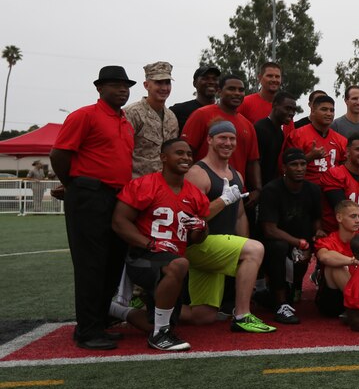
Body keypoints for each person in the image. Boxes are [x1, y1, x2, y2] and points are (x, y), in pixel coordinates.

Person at [50, 65, 136, 350]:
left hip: (116, 197)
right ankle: (87, 331)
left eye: (125, 85)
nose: (122, 89)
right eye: (115, 85)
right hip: (90, 194)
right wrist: (72, 184)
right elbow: (59, 153)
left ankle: (96, 323)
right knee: (91, 265)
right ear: (99, 88)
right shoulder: (84, 115)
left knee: (113, 261)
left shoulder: (124, 120)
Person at [111, 138, 208, 352]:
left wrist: (202, 228)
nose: (186, 158)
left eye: (189, 154)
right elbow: (119, 222)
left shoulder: (195, 195)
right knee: (180, 264)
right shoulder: (144, 184)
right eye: (179, 153)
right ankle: (160, 334)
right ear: (163, 157)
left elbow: (195, 239)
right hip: (143, 256)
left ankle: (116, 311)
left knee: (157, 321)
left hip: (172, 262)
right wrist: (150, 243)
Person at [182, 120, 275, 333]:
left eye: (232, 138)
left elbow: (240, 216)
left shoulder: (237, 174)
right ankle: (242, 315)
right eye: (222, 137)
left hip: (218, 247)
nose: (228, 142)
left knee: (203, 316)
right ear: (210, 140)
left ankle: (142, 309)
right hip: (199, 244)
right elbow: (191, 219)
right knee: (256, 248)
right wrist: (222, 201)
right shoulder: (198, 173)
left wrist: (243, 247)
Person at [259, 147, 323, 324]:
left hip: (302, 239)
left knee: (325, 244)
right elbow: (269, 230)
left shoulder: (313, 190)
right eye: (294, 164)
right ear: (284, 168)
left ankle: (301, 288)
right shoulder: (271, 190)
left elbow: (317, 218)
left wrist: (317, 234)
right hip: (278, 242)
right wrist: (299, 243)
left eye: (303, 164)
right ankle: (281, 304)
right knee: (278, 247)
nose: (300, 168)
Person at [180, 72, 261, 192]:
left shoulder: (248, 125)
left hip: (236, 192)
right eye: (231, 89)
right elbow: (185, 152)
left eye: (241, 90)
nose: (237, 93)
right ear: (219, 91)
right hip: (204, 190)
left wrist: (257, 189)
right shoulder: (201, 115)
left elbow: (252, 161)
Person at [125, 61, 179, 178]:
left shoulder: (171, 118)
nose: (164, 88)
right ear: (146, 85)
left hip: (164, 184)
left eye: (167, 83)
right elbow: (122, 152)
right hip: (137, 184)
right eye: (158, 83)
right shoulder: (132, 113)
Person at [313, 199, 359, 317]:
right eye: (353, 216)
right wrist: (355, 261)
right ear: (339, 218)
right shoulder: (327, 241)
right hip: (333, 301)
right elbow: (325, 257)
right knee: (334, 266)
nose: (357, 221)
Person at [284, 94, 348, 183]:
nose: (329, 113)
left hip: (333, 188)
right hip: (305, 188)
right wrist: (310, 156)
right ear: (313, 111)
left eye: (332, 110)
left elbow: (346, 169)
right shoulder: (297, 135)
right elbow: (288, 166)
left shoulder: (341, 140)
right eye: (324, 109)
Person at [254, 91, 297, 186]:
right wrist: (257, 188)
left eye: (294, 110)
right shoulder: (260, 129)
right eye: (287, 108)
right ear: (275, 105)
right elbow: (254, 162)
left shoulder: (280, 133)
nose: (291, 113)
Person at [169, 65, 219, 133]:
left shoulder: (224, 112)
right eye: (205, 78)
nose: (211, 82)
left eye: (215, 79)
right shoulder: (178, 111)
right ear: (194, 83)